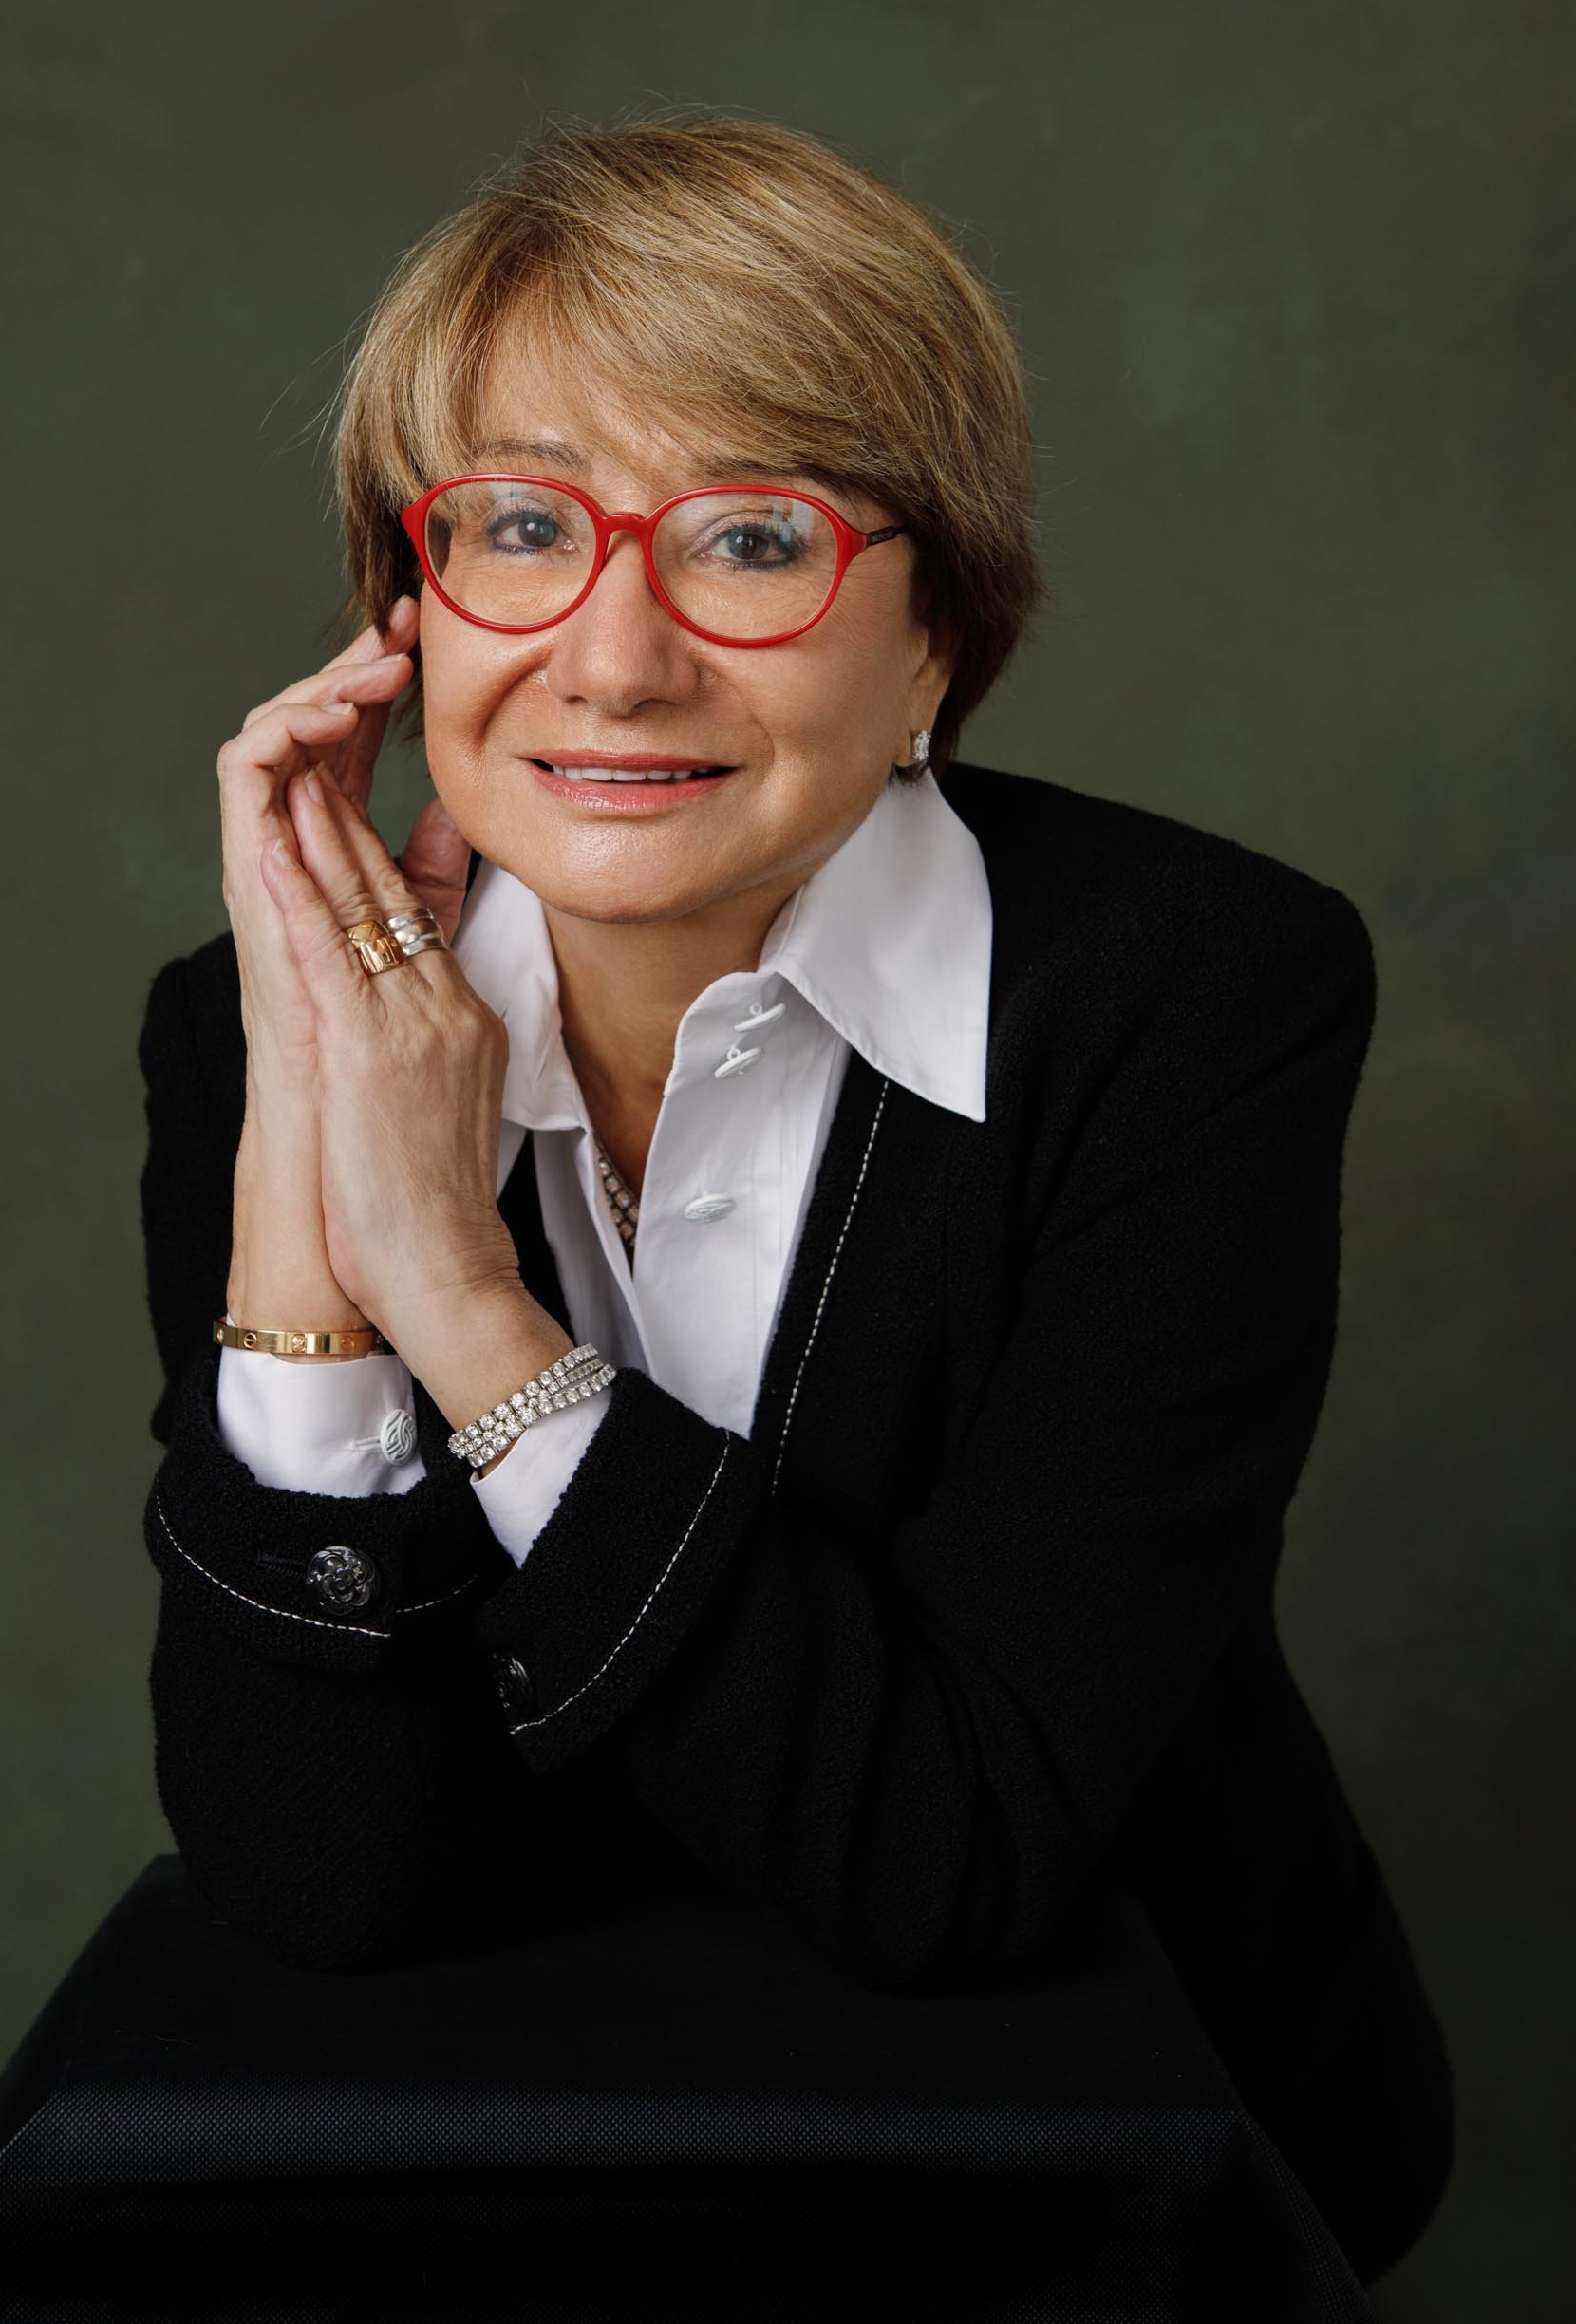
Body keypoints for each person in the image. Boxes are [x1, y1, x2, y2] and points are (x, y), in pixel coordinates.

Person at [136, 112, 1452, 2287]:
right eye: (522, 528)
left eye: (750, 542)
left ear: (943, 629)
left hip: (1123, 2153)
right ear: (404, 613)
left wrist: (457, 1291)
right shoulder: (248, 1022)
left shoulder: (1193, 995)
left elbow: (947, 1858)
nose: (618, 656)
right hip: (515, 2168)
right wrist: (305, 1208)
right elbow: (324, 1884)